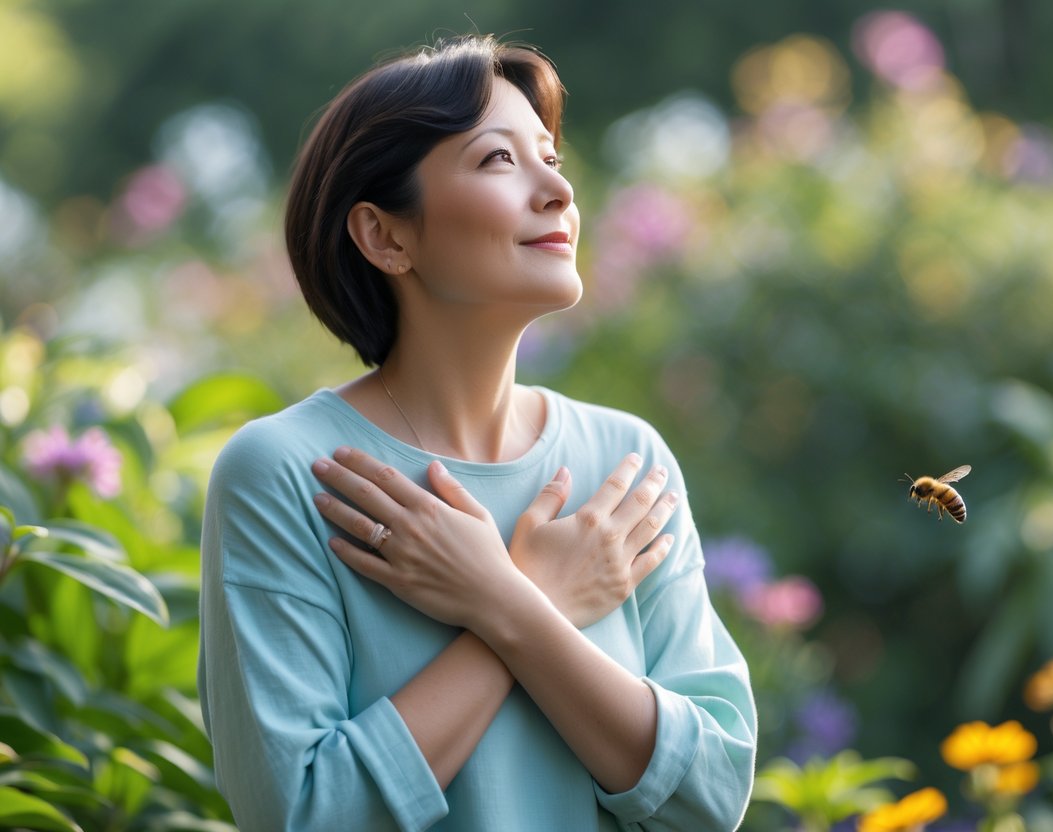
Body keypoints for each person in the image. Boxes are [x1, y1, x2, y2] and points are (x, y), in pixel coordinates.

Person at [197, 34, 756, 831]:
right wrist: (540, 599)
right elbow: (304, 812)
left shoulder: (626, 462)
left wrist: (504, 602)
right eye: (498, 160)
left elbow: (711, 793)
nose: (557, 193)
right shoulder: (289, 474)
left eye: (550, 158)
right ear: (385, 236)